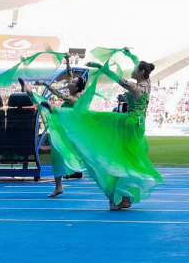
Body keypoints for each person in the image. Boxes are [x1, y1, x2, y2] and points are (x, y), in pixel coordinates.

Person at [56, 56, 164, 210]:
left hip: (129, 124)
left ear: (141, 72)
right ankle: (125, 197)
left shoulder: (135, 87)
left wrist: (100, 66)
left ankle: (122, 195)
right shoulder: (148, 84)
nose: (132, 71)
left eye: (135, 69)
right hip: (139, 125)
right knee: (126, 160)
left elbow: (117, 78)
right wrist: (130, 56)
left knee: (117, 157)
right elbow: (143, 69)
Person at [20, 56, 86, 198]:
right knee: (56, 157)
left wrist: (45, 83)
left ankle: (29, 92)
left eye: (73, 82)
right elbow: (69, 75)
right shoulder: (73, 92)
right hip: (61, 129)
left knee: (74, 157)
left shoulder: (75, 99)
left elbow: (60, 94)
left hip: (69, 133)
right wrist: (68, 61)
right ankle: (58, 187)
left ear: (76, 88)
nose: (69, 82)